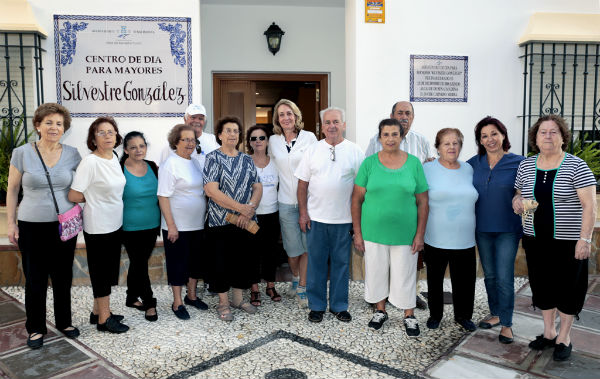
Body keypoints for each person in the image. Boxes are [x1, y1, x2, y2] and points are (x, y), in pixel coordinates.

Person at [513, 115, 596, 361]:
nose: (548, 136)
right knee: (542, 285)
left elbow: (589, 206)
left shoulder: (576, 165)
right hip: (536, 239)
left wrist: (585, 239)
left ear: (563, 137)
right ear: (535, 138)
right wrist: (517, 201)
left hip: (568, 242)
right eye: (542, 132)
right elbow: (519, 193)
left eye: (553, 132)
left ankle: (564, 337)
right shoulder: (527, 165)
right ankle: (549, 332)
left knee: (568, 288)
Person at [6, 103, 81, 349]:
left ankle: (64, 322)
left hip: (63, 226)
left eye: (59, 124)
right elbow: (13, 189)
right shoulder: (22, 153)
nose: (54, 127)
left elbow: (81, 187)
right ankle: (35, 328)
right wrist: (11, 223)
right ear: (38, 125)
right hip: (31, 225)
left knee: (62, 276)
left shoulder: (72, 154)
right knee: (35, 278)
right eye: (48, 122)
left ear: (64, 128)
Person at [351, 118, 428, 335]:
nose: (390, 138)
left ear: (402, 137)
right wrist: (357, 233)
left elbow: (423, 201)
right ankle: (380, 311)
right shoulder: (369, 164)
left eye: (395, 134)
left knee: (405, 275)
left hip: (405, 234)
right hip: (373, 232)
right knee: (376, 273)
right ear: (380, 138)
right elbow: (356, 199)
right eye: (386, 134)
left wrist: (420, 234)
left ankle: (409, 315)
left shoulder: (414, 164)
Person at [364, 101, 435, 310]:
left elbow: (426, 171)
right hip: (381, 212)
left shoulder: (421, 140)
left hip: (409, 213)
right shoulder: (375, 141)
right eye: (400, 113)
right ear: (392, 115)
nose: (404, 116)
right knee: (380, 261)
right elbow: (367, 172)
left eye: (408, 113)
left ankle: (409, 294)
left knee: (411, 260)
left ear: (413, 117)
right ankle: (381, 297)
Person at [296, 107, 364, 323]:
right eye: (327, 122)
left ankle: (338, 305)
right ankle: (316, 306)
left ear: (344, 124)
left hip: (343, 220)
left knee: (341, 264)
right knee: (316, 263)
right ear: (322, 126)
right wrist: (303, 213)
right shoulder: (312, 150)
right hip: (316, 219)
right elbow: (302, 185)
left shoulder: (355, 151)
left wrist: (357, 222)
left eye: (336, 121)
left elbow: (361, 188)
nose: (332, 126)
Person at [467, 117, 524, 344]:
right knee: (489, 275)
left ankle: (507, 324)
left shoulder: (519, 162)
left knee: (504, 276)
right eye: (484, 136)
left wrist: (520, 195)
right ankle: (496, 313)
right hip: (482, 228)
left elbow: (527, 188)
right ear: (479, 141)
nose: (490, 139)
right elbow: (451, 175)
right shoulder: (472, 164)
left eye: (494, 134)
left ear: (503, 135)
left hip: (507, 229)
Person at [69, 117, 129, 333]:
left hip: (114, 223)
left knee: (109, 270)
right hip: (98, 226)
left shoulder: (113, 157)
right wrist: (93, 199)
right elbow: (74, 194)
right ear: (93, 138)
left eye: (110, 132)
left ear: (116, 136)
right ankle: (104, 320)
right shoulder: (90, 162)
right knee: (101, 272)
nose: (107, 136)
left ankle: (97, 312)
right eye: (101, 132)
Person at [204, 116, 262, 321]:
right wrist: (241, 209)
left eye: (236, 131)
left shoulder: (247, 159)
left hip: (245, 223)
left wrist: (251, 208)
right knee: (221, 263)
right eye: (227, 130)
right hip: (221, 221)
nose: (232, 134)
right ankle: (223, 303)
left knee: (242, 261)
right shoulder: (213, 158)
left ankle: (238, 299)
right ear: (219, 135)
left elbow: (257, 186)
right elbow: (211, 190)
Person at [423, 128, 478, 333]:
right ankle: (435, 315)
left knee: (465, 281)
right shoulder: (427, 169)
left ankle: (463, 316)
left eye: (456, 143)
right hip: (435, 236)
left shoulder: (468, 169)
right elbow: (419, 200)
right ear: (438, 148)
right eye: (446, 143)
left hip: (465, 238)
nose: (451, 147)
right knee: (434, 280)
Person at [269, 99, 317, 307]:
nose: (286, 118)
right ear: (277, 119)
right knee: (292, 249)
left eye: (289, 113)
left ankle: (303, 287)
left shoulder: (310, 138)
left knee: (306, 247)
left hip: (308, 202)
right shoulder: (273, 141)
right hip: (285, 202)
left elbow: (317, 167)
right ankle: (296, 276)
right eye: (281, 115)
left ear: (296, 116)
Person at [157, 124, 209, 320]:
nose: (189, 143)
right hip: (177, 226)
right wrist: (171, 225)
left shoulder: (195, 162)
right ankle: (177, 302)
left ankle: (192, 296)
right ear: (175, 142)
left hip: (197, 224)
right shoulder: (170, 164)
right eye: (185, 139)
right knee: (177, 264)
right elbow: (163, 196)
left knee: (195, 263)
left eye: (192, 139)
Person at [120, 131, 160, 322]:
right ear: (126, 150)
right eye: (133, 147)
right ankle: (149, 302)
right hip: (129, 226)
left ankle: (130, 297)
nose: (138, 150)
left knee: (138, 262)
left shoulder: (152, 166)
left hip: (152, 224)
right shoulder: (119, 168)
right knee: (140, 262)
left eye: (142, 146)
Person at [246, 125, 282, 306]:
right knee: (253, 253)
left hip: (272, 214)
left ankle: (270, 285)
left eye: (261, 138)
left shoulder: (275, 162)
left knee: (271, 252)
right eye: (254, 138)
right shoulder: (245, 161)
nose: (258, 141)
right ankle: (254, 289)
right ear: (249, 143)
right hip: (253, 215)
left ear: (268, 141)